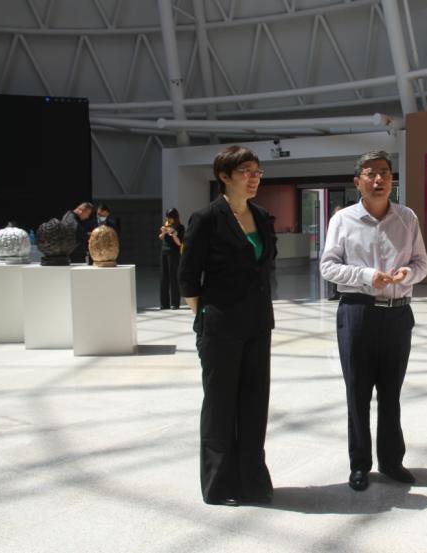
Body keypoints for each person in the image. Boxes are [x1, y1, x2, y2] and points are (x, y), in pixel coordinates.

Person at [320, 150, 427, 492]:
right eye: (371, 173)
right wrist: (366, 276)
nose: (379, 179)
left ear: (392, 179)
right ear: (358, 182)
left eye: (384, 172)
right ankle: (359, 465)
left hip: (398, 314)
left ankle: (392, 461)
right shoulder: (342, 220)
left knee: (391, 393)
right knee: (358, 392)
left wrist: (408, 273)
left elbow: (422, 264)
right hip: (358, 312)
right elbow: (328, 266)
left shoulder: (407, 218)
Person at [178, 145, 277, 507]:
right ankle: (219, 484)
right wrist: (206, 317)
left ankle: (252, 479)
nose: (253, 178)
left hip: (258, 323)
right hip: (220, 325)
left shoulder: (262, 217)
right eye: (245, 172)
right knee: (220, 406)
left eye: (257, 172)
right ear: (224, 176)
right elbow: (188, 277)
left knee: (254, 403)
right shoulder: (207, 218)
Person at [158, 208, 185, 310]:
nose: (168, 219)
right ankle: (164, 303)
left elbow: (179, 243)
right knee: (163, 278)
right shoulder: (166, 224)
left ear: (175, 217)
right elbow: (160, 237)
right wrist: (163, 232)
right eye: (167, 217)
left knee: (174, 278)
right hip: (164, 252)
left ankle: (175, 303)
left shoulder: (181, 227)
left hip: (174, 254)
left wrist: (174, 234)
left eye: (170, 218)